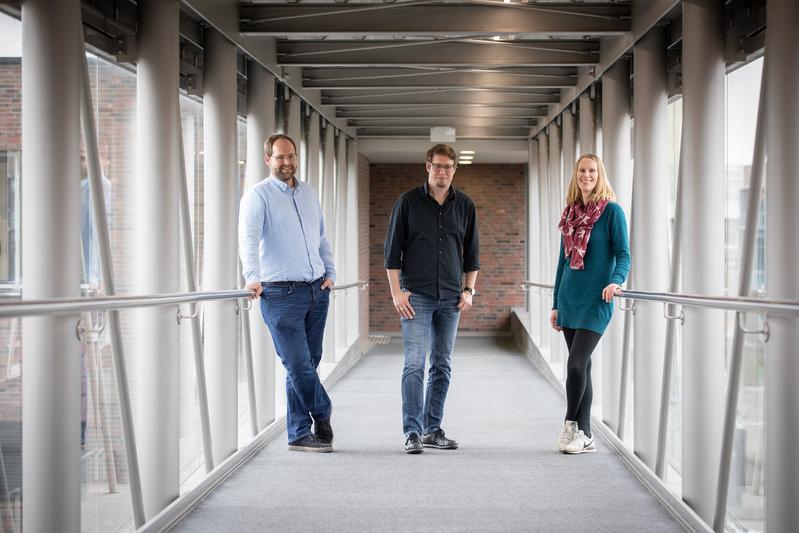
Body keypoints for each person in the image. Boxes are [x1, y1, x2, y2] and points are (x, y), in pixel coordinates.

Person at [238, 133, 336, 453]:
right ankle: (322, 414)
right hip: (280, 294)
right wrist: (252, 277)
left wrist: (330, 272)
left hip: (316, 290)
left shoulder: (307, 193)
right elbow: (248, 240)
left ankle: (298, 432)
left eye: (291, 156)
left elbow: (320, 238)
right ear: (268, 160)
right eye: (280, 157)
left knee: (308, 362)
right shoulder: (259, 195)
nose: (287, 162)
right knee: (297, 364)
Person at [384, 143, 480, 454]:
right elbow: (391, 252)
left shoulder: (465, 205)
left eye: (447, 167)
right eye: (437, 166)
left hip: (452, 299)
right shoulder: (408, 202)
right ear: (427, 166)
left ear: (455, 169)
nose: (442, 172)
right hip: (417, 298)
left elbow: (473, 254)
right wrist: (396, 292)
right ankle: (412, 431)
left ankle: (432, 429)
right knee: (414, 364)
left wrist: (469, 290)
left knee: (442, 365)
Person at [550, 153, 630, 454]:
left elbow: (624, 253)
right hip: (570, 299)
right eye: (582, 170)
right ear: (576, 175)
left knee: (575, 364)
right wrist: (555, 304)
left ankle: (569, 424)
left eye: (592, 170)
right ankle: (586, 435)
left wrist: (617, 280)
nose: (587, 175)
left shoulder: (612, 212)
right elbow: (562, 262)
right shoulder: (570, 213)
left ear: (600, 174)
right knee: (582, 367)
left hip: (597, 300)